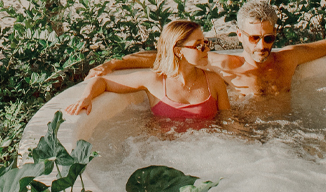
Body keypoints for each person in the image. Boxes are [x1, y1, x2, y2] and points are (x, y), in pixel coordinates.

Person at [80, 0, 326, 101]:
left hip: (290, 131)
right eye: (254, 38)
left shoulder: (288, 58)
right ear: (239, 35)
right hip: (248, 137)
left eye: (268, 38)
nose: (261, 46)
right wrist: (114, 64)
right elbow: (161, 56)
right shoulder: (223, 64)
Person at [65, 20, 231, 122]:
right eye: (199, 45)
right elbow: (102, 81)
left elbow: (228, 122)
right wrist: (86, 98)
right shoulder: (155, 81)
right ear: (178, 51)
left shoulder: (214, 81)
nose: (207, 49)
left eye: (206, 43)